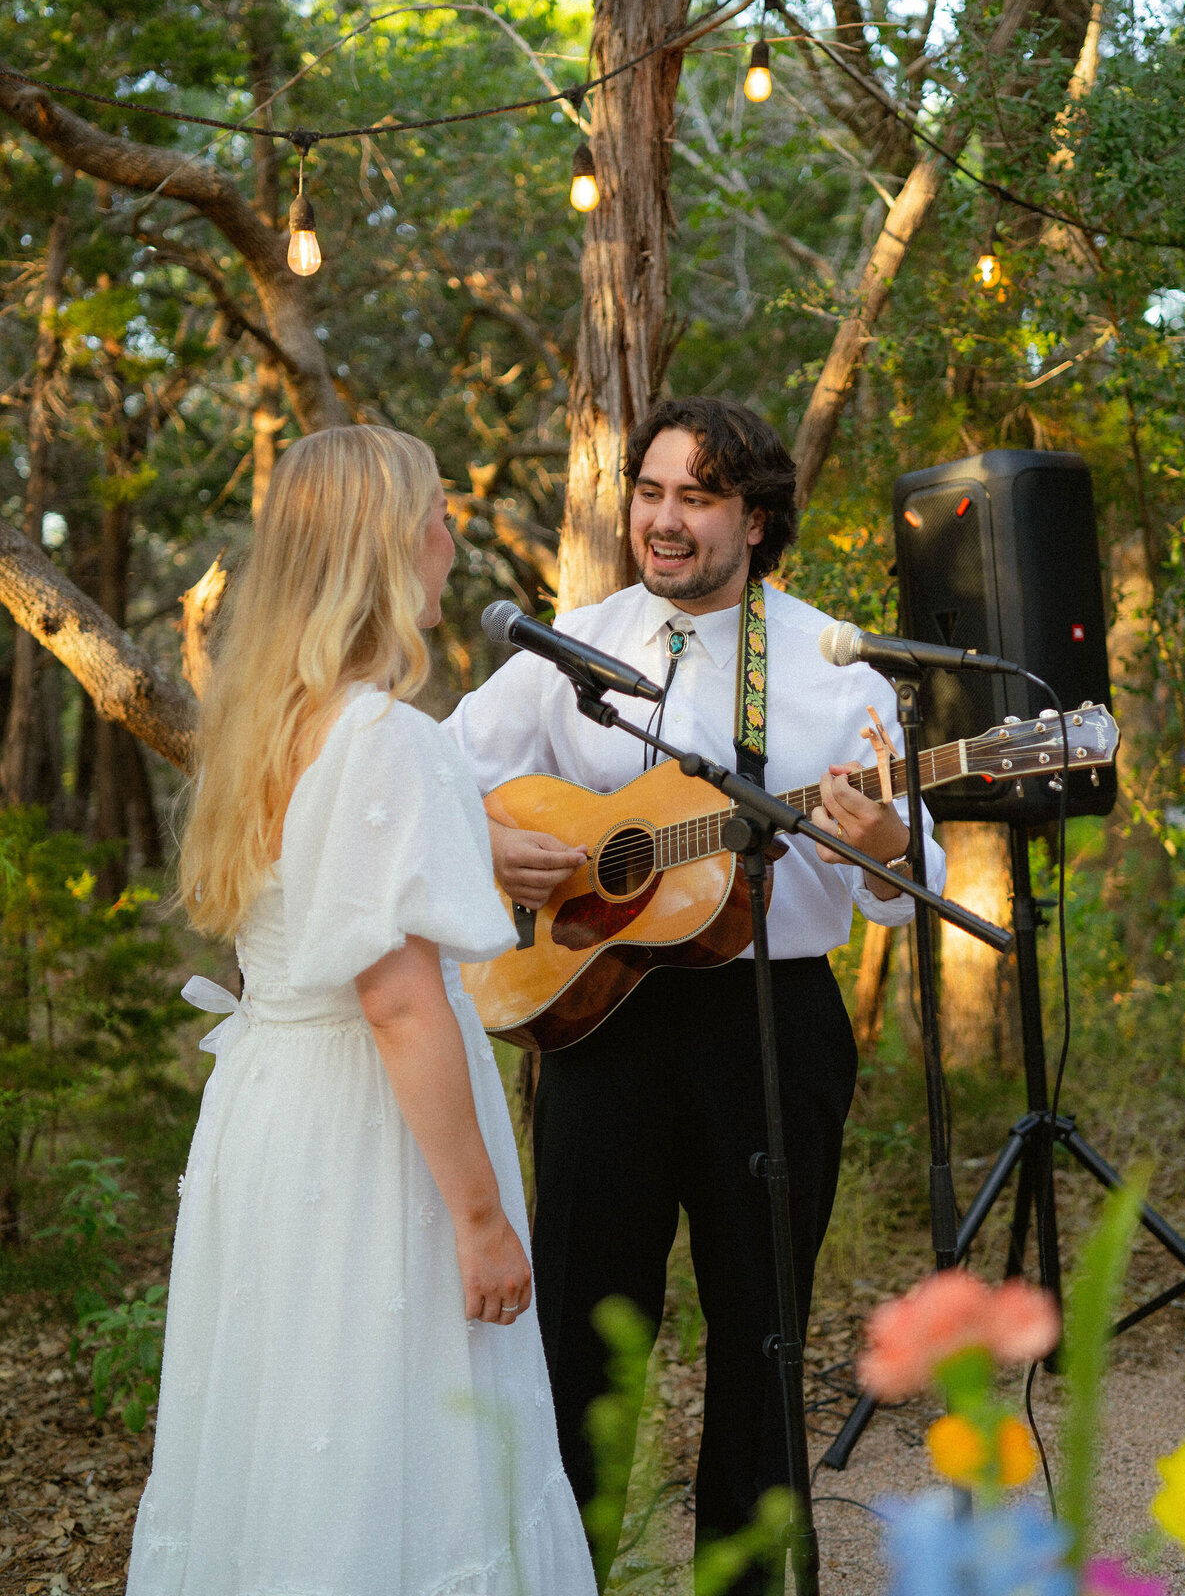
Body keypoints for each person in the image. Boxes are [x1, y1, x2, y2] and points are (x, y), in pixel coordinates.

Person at [443, 396, 947, 1594]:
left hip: (770, 1029)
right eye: (651, 493)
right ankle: (568, 1573)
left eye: (696, 500)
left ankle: (739, 1578)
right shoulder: (574, 644)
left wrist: (886, 838)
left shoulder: (831, 665)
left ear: (758, 520)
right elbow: (440, 771)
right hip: (597, 1021)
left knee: (761, 1330)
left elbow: (907, 882)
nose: (662, 524)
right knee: (582, 1325)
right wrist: (482, 839)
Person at [127, 427, 595, 1596]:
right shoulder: (385, 735)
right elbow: (398, 1004)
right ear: (389, 548)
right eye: (437, 514)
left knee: (293, 1425)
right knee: (396, 1431)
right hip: (371, 1131)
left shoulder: (265, 721)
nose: (452, 537)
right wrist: (482, 1218)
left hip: (273, 1113)